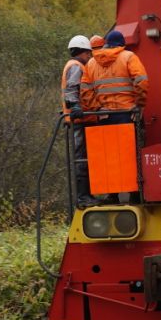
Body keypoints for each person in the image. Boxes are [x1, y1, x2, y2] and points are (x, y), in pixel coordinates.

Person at [80, 30, 149, 125]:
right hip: (128, 113)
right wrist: (139, 105)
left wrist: (97, 108)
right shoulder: (129, 57)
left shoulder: (91, 63)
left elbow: (85, 90)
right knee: (130, 139)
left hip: (104, 115)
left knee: (108, 140)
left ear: (106, 44)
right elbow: (141, 82)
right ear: (122, 44)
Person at [62, 35, 97, 208]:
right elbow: (72, 88)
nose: (90, 57)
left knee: (83, 158)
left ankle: (87, 195)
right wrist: (75, 106)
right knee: (81, 158)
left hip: (77, 118)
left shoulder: (72, 65)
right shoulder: (76, 67)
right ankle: (84, 196)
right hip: (79, 119)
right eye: (88, 53)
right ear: (82, 52)